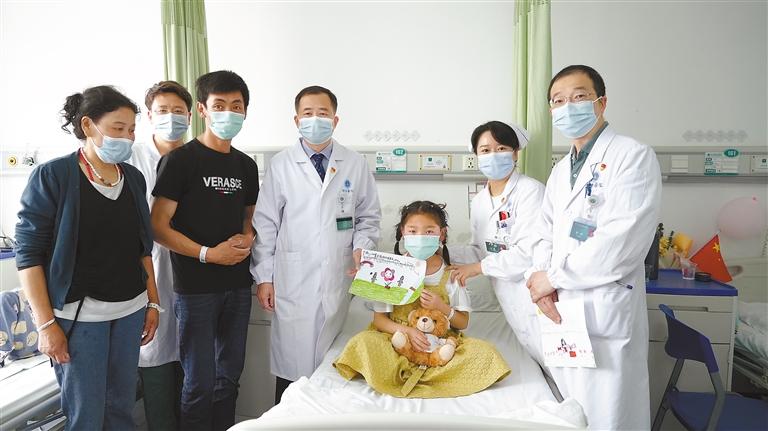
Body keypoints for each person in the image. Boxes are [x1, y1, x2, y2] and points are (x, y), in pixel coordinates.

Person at [15, 85, 160, 430]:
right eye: (117, 128)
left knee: (121, 408)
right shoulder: (54, 176)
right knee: (87, 415)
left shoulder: (133, 178)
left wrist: (153, 303)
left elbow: (143, 248)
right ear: (87, 125)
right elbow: (28, 256)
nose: (127, 137)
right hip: (80, 317)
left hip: (130, 311)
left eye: (131, 130)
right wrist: (46, 325)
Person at [526, 65, 662, 430]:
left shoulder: (632, 156)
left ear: (601, 103)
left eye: (579, 97)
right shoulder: (560, 171)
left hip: (604, 308)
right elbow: (544, 233)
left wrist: (553, 278)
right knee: (573, 411)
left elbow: (622, 240)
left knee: (608, 413)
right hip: (561, 310)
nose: (568, 107)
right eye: (558, 101)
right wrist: (540, 279)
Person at [251, 85, 381, 403]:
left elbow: (368, 216)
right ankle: (287, 421)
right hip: (293, 279)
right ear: (296, 120)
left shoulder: (354, 163)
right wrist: (264, 277)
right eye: (307, 113)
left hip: (340, 275)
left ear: (335, 120)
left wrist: (362, 247)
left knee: (335, 370)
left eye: (322, 113)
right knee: (292, 374)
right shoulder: (281, 164)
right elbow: (266, 224)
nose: (315, 119)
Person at [151, 70, 259, 431]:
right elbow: (158, 226)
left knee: (228, 378)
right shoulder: (180, 161)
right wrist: (207, 254)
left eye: (236, 106)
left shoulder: (246, 166)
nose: (228, 113)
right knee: (198, 383)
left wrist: (248, 237)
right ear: (202, 110)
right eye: (219, 105)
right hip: (196, 289)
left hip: (237, 285)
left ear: (245, 111)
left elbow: (248, 219)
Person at [333, 201, 510, 397]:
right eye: (413, 231)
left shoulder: (452, 274)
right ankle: (425, 373)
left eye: (429, 231)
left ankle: (428, 370)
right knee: (362, 342)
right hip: (397, 341)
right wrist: (407, 331)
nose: (420, 237)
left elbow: (462, 323)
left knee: (485, 352)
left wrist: (442, 307)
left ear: (441, 234)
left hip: (439, 345)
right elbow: (380, 320)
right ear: (402, 232)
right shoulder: (389, 271)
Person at [449, 121, 546, 365]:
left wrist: (477, 268)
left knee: (552, 359)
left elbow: (527, 254)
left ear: (515, 153)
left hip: (535, 292)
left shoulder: (531, 191)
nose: (493, 155)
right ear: (476, 156)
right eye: (485, 150)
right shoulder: (480, 201)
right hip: (508, 297)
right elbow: (479, 250)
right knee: (537, 357)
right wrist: (440, 252)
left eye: (501, 148)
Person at [127, 80, 192, 431]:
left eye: (178, 111)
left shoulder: (199, 158)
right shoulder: (131, 158)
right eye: (163, 111)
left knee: (193, 363)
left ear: (191, 116)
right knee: (154, 356)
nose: (171, 117)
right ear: (150, 116)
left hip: (195, 272)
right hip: (147, 269)